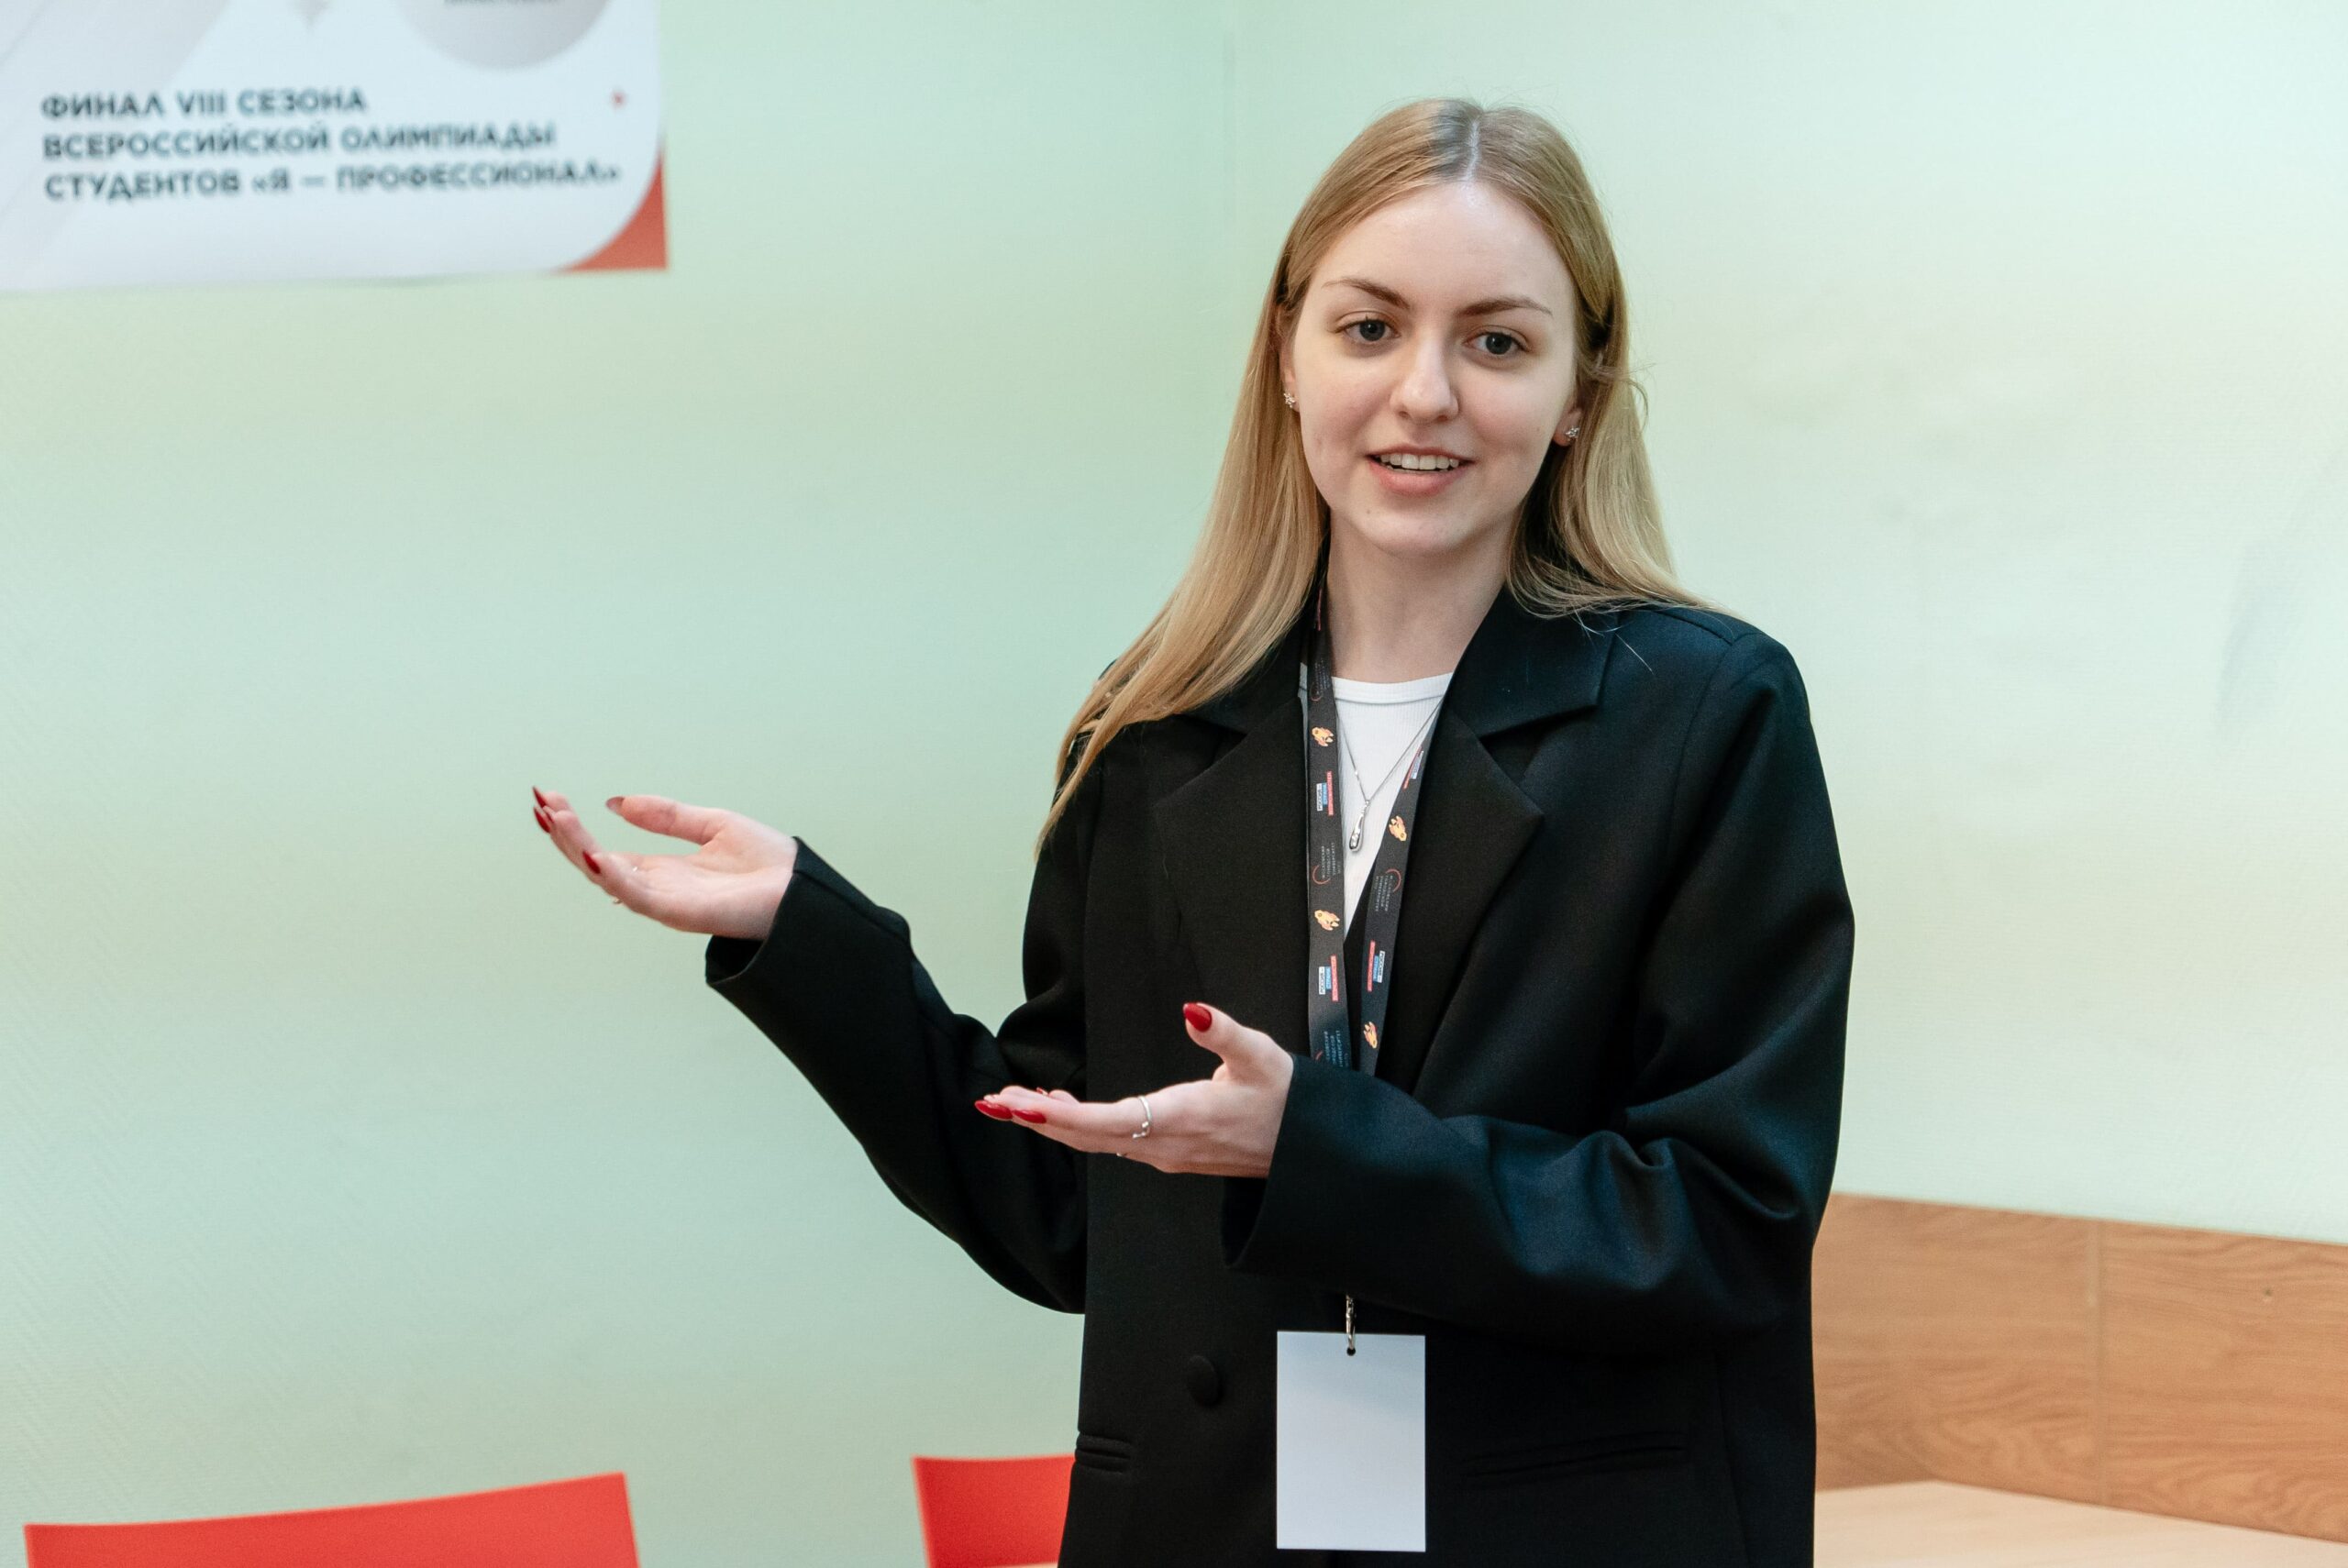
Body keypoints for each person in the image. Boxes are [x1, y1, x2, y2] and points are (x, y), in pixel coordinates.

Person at [534, 96, 1852, 1568]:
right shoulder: (1154, 722)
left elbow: (1726, 1221)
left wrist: (1319, 1150)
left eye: (1496, 341)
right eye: (1369, 328)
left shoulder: (1707, 714)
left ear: (1578, 395)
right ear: (1287, 356)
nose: (1423, 392)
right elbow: (1066, 1207)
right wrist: (806, 934)